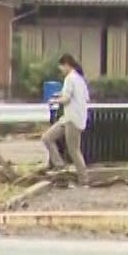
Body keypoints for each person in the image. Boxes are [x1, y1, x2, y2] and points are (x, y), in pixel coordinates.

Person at [40, 53, 90, 184]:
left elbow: (66, 99)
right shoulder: (80, 79)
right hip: (71, 118)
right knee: (47, 138)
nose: (61, 70)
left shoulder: (70, 78)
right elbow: (82, 97)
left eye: (61, 67)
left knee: (74, 150)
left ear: (67, 65)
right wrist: (59, 95)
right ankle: (60, 166)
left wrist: (55, 100)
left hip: (72, 119)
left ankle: (84, 179)